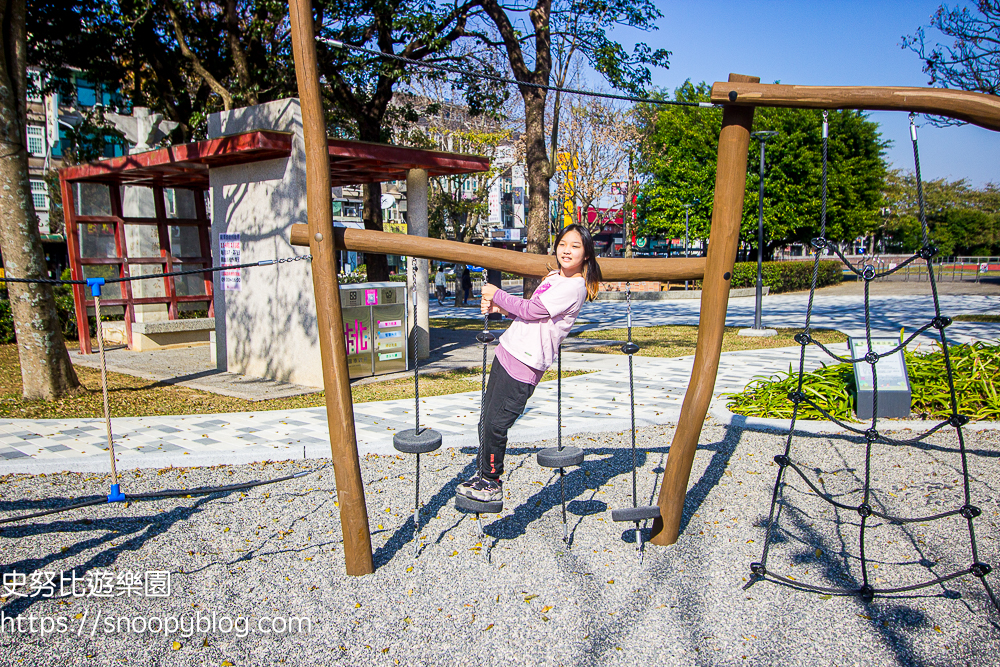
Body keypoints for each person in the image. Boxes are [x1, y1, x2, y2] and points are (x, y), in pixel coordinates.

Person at [457, 224, 602, 503]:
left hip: (526, 363)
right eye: (563, 244)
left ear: (586, 254)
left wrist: (497, 294)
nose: (567, 250)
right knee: (486, 420)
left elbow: (532, 309)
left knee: (497, 423)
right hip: (508, 350)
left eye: (575, 246)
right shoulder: (554, 276)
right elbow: (530, 316)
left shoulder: (574, 287)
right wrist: (500, 309)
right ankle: (482, 473)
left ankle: (491, 481)